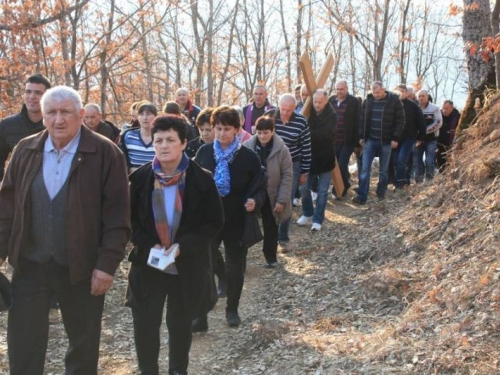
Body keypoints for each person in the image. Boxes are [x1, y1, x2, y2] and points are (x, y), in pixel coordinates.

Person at [0, 86, 130, 375]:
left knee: (83, 347)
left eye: (65, 112)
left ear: (81, 115)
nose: (58, 120)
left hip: (81, 267)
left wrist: (107, 265)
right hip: (30, 264)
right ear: (42, 117)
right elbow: (6, 206)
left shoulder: (105, 152)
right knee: (23, 343)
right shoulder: (25, 149)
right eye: (51, 113)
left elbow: (117, 215)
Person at [127, 114, 224, 375]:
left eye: (170, 140)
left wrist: (182, 246)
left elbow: (214, 222)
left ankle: (178, 370)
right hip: (149, 264)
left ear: (183, 143)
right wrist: (150, 247)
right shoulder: (140, 179)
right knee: (145, 323)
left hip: (186, 264)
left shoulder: (202, 178)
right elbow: (131, 222)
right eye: (158, 140)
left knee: (180, 324)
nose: (163, 145)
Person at [195, 106, 267, 327]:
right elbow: (194, 185)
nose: (222, 134)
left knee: (235, 267)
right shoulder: (204, 153)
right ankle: (201, 315)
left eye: (227, 129)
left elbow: (261, 187)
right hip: (208, 221)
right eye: (218, 129)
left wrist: (255, 201)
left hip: (237, 220)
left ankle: (232, 309)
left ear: (237, 130)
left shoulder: (249, 157)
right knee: (203, 266)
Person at [244, 116, 293, 267]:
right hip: (252, 193)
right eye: (259, 132)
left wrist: (281, 200)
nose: (262, 136)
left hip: (272, 193)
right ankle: (241, 261)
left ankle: (271, 257)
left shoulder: (282, 149)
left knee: (271, 225)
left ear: (273, 131)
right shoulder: (247, 147)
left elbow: (287, 175)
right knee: (244, 226)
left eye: (266, 132)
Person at [265, 94, 311, 249]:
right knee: (271, 197)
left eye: (289, 110)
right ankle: (270, 233)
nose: (285, 113)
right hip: (271, 161)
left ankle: (283, 236)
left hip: (293, 163)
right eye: (283, 109)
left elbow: (306, 147)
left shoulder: (301, 122)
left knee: (286, 198)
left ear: (294, 109)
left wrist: (305, 171)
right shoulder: (270, 117)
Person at [353, 82, 405, 204]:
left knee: (383, 170)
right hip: (370, 140)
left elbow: (400, 121)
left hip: (386, 141)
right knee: (365, 169)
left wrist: (396, 138)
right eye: (374, 92)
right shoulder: (368, 100)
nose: (376, 95)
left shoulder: (394, 101)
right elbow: (362, 120)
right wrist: (361, 136)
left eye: (378, 92)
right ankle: (362, 196)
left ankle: (381, 193)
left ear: (384, 90)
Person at [297, 89, 336, 231]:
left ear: (326, 101)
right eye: (315, 101)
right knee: (303, 188)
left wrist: (306, 133)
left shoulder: (332, 115)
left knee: (322, 191)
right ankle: (307, 212)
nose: (317, 105)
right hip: (309, 158)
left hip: (326, 159)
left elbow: (325, 134)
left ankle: (318, 219)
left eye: (320, 102)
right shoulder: (308, 111)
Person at [0, 73, 51, 181]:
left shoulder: (56, 125)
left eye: (38, 93)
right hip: (17, 191)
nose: (32, 97)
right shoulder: (7, 125)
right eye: (28, 92)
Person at [329, 80, 361, 197]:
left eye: (341, 89)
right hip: (333, 140)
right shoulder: (331, 100)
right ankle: (340, 185)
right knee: (335, 166)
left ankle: (342, 188)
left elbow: (358, 121)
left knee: (342, 164)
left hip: (347, 140)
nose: (339, 91)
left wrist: (357, 143)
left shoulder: (353, 101)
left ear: (347, 89)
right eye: (337, 89)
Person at [392, 84, 426, 189]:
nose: (401, 93)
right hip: (395, 138)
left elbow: (421, 122)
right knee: (395, 160)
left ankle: (399, 184)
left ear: (406, 93)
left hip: (409, 137)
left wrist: (420, 137)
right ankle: (403, 180)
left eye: (403, 91)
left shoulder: (413, 106)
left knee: (401, 159)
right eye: (398, 91)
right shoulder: (391, 104)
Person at [414, 89, 442, 182]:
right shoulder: (414, 107)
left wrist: (424, 131)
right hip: (417, 140)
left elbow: (438, 122)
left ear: (427, 97)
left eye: (423, 96)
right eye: (419, 96)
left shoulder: (435, 108)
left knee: (429, 161)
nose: (421, 98)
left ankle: (429, 180)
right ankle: (418, 181)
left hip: (431, 139)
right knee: (417, 161)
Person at [121, 102, 158, 173]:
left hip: (157, 180)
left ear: (155, 116)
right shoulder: (128, 136)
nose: (145, 117)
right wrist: (129, 169)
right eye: (141, 114)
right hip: (134, 181)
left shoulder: (161, 137)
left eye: (148, 114)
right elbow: (120, 160)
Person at [437, 100, 460, 170]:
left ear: (451, 108)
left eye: (446, 108)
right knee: (439, 160)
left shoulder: (457, 116)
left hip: (452, 142)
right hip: (439, 142)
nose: (444, 110)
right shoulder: (438, 114)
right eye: (443, 108)